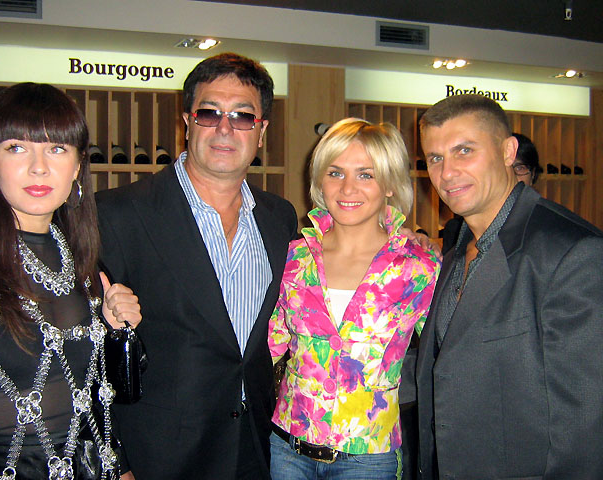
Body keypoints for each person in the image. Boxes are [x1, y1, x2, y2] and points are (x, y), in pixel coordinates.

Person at [95, 53, 298, 479]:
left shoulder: (280, 218)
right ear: (187, 122)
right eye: (209, 113)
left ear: (262, 132)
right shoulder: (117, 214)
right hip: (159, 458)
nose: (225, 128)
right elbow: (87, 356)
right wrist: (117, 463)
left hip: (255, 450)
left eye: (243, 116)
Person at [0, 82, 142, 480]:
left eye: (57, 149)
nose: (39, 167)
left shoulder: (80, 258)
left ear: (77, 166)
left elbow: (91, 398)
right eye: (17, 147)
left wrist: (114, 330)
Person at [415, 94, 603, 479]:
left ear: (507, 151)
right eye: (435, 158)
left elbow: (585, 423)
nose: (447, 173)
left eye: (464, 151)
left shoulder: (572, 251)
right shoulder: (454, 250)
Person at [268, 118, 440, 479]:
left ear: (389, 184)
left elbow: (448, 355)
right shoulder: (294, 258)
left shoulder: (418, 268)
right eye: (335, 173)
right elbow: (266, 346)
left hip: (368, 459)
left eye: (366, 174)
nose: (347, 188)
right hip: (287, 449)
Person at [441, 132, 540, 253]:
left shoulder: (549, 228)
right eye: (504, 168)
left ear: (533, 174)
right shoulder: (456, 230)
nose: (511, 176)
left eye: (520, 168)